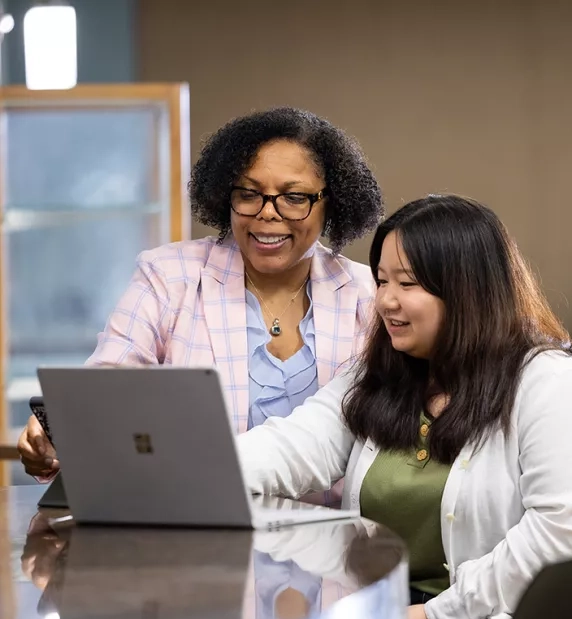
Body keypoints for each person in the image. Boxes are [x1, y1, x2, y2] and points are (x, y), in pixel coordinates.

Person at [234, 194, 572, 619]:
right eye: (381, 280)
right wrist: (189, 472)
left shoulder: (549, 383)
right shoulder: (380, 374)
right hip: (404, 615)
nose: (385, 300)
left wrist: (437, 617)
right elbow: (294, 447)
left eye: (408, 283)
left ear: (467, 290)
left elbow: (564, 532)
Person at [17, 107, 383, 484]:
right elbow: (106, 388)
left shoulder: (368, 295)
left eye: (293, 197)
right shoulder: (170, 275)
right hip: (189, 520)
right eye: (248, 193)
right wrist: (60, 432)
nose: (267, 214)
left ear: (332, 202)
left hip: (330, 529)